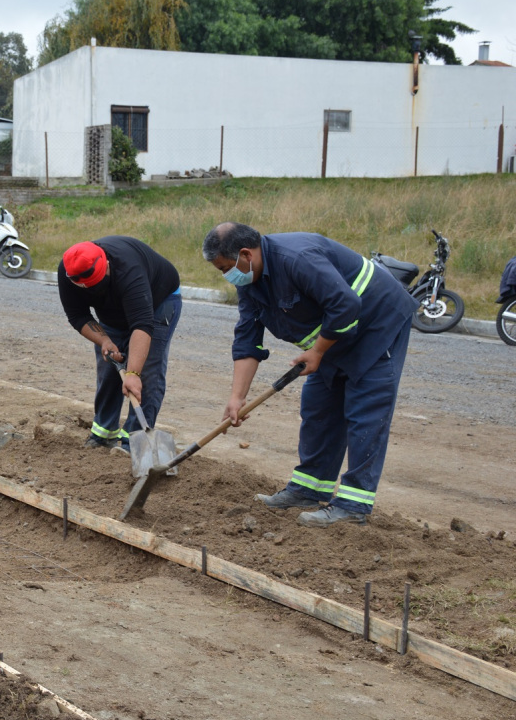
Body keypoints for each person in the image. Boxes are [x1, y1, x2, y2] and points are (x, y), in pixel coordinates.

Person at [202, 222, 417, 528]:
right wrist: (236, 398)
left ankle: (353, 505)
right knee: (318, 407)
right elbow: (248, 340)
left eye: (226, 267)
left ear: (246, 254)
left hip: (374, 324)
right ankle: (308, 489)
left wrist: (317, 351)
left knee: (364, 411)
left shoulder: (297, 258)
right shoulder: (250, 282)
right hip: (332, 339)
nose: (226, 275)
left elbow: (345, 304)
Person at [57, 237, 183, 451]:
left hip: (158, 302)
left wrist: (133, 374)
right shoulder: (68, 271)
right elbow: (77, 315)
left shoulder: (128, 269)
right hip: (112, 312)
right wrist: (104, 340)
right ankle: (103, 435)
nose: (92, 291)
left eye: (97, 285)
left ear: (106, 265)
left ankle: (134, 442)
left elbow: (142, 324)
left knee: (147, 373)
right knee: (109, 367)